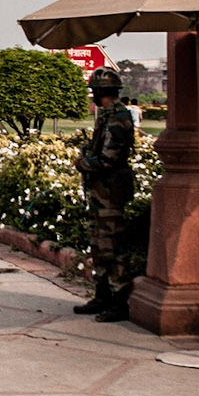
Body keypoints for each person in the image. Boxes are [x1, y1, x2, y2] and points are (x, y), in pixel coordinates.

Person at [74, 62, 136, 322]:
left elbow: (108, 160)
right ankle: (102, 296)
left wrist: (82, 163)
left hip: (110, 191)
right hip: (100, 191)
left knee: (113, 247)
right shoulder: (108, 116)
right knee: (99, 245)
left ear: (101, 92)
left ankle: (119, 302)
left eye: (95, 91)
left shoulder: (118, 119)